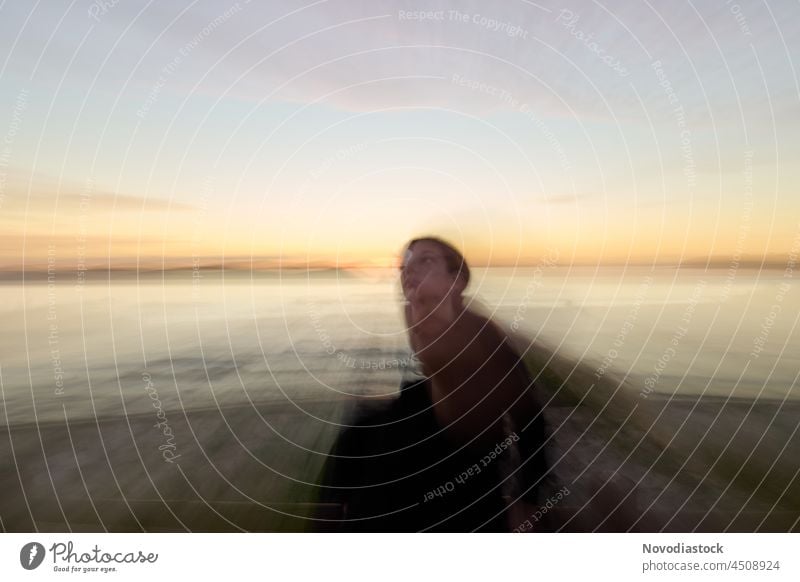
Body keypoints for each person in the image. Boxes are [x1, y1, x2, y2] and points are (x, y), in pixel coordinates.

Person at [315, 237, 549, 532]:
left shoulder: (485, 341)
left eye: (425, 260)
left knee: (377, 485)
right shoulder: (416, 314)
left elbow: (530, 420)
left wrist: (527, 500)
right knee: (358, 429)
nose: (408, 271)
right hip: (430, 406)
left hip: (463, 450)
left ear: (457, 279)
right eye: (404, 265)